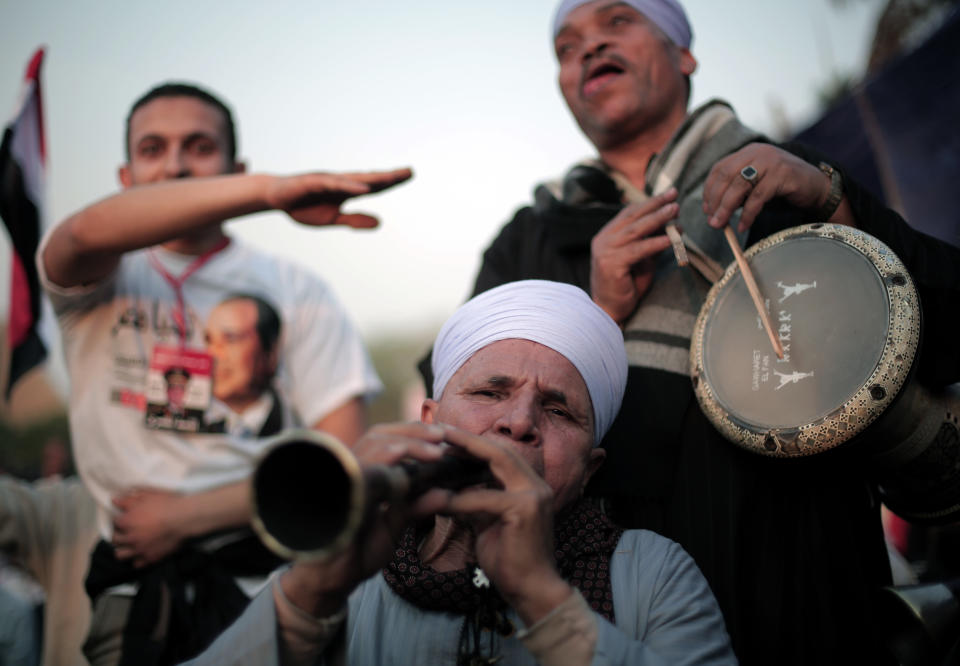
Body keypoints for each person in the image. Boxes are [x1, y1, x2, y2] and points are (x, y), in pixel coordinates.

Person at [416, 2, 960, 664]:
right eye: (566, 46)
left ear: (684, 54)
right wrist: (594, 315)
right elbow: (456, 408)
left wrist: (831, 201)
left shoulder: (783, 179)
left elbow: (944, 324)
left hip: (801, 579)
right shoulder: (531, 236)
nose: (588, 49)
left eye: (617, 22)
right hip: (592, 607)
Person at [37, 82, 411, 664]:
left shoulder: (297, 291)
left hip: (272, 582)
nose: (178, 165)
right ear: (125, 175)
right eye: (153, 149)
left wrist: (187, 515)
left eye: (200, 147)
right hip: (135, 589)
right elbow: (81, 233)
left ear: (234, 167)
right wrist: (269, 192)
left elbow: (345, 462)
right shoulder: (100, 277)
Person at [189, 279, 736, 666]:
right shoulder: (347, 565)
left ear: (590, 469)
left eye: (558, 410)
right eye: (489, 392)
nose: (519, 422)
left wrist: (541, 596)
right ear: (428, 422)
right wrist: (310, 595)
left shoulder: (652, 573)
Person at [202, 293, 286, 437]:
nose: (214, 354)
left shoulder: (298, 425)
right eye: (209, 340)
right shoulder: (185, 419)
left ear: (270, 353)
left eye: (231, 339)